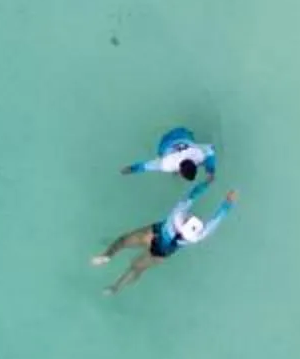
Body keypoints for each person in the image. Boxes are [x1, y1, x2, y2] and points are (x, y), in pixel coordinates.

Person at [91, 188, 238, 296]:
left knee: (123, 241)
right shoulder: (196, 237)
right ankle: (115, 287)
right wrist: (228, 204)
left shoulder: (175, 218)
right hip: (160, 254)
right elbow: (216, 220)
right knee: (136, 269)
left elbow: (190, 196)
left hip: (151, 234)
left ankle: (108, 255)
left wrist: (209, 186)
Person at [121, 126, 217, 188]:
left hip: (181, 133)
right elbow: (211, 149)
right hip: (173, 138)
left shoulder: (197, 154)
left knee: (163, 155)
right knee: (161, 154)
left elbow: (211, 149)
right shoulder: (168, 164)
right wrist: (210, 172)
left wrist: (131, 169)